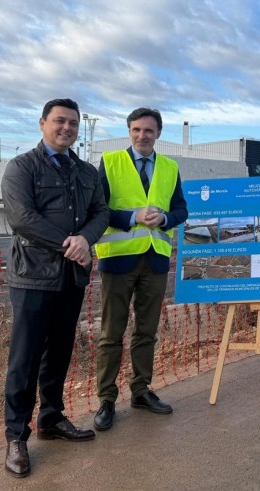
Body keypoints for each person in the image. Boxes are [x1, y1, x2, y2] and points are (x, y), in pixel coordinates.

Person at [1, 98, 109, 478]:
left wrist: (86, 238)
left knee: (60, 351)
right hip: (33, 276)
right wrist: (71, 244)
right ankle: (16, 437)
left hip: (70, 278)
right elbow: (22, 218)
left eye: (73, 123)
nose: (67, 128)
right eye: (60, 121)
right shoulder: (22, 167)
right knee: (25, 357)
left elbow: (101, 212)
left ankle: (51, 417)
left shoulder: (85, 171)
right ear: (42, 123)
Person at [93, 107, 188, 431]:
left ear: (158, 133)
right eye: (136, 129)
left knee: (146, 332)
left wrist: (165, 218)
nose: (142, 135)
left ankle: (140, 390)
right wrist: (133, 217)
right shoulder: (110, 162)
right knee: (111, 334)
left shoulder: (170, 167)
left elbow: (181, 210)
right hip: (118, 260)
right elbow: (98, 209)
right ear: (129, 131)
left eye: (148, 130)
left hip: (155, 260)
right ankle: (106, 399)